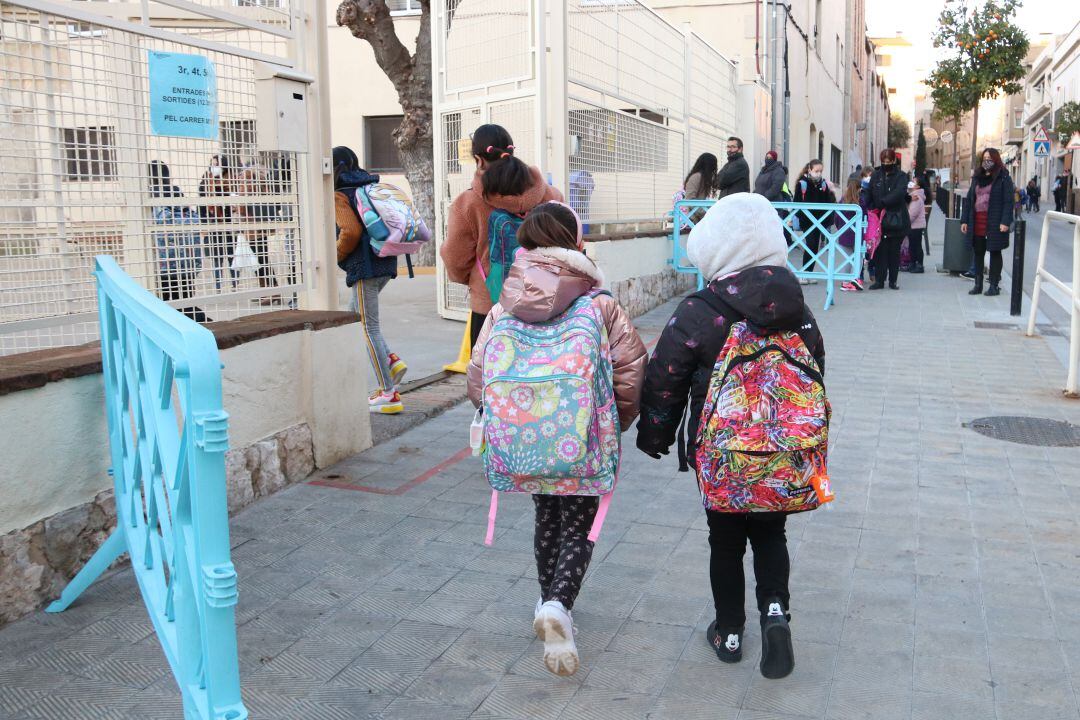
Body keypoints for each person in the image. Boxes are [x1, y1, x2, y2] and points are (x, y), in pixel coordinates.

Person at [636, 192, 826, 681]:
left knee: (724, 542)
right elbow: (815, 373)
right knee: (771, 534)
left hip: (720, 454)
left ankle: (730, 631)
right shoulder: (798, 308)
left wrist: (654, 436)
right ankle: (776, 613)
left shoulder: (701, 309)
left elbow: (665, 376)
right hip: (782, 454)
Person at [467, 202, 647, 677]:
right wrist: (615, 424)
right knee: (579, 522)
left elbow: (479, 372)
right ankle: (558, 604)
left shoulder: (507, 301)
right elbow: (630, 373)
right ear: (576, 243)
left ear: (526, 243)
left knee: (546, 513)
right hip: (582, 439)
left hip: (523, 438)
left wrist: (502, 421)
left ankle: (548, 600)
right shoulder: (599, 304)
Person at [442, 124, 563, 348]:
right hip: (545, 299)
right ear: (511, 151)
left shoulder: (467, 204)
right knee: (541, 368)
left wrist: (471, 280)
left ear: (479, 160)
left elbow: (455, 257)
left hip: (490, 304)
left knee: (487, 372)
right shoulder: (551, 196)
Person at [333, 146, 409, 414]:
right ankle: (390, 360)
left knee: (368, 328)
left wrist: (337, 254)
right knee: (355, 316)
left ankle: (389, 394)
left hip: (364, 265)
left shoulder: (340, 194)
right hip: (385, 259)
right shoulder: (369, 185)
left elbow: (350, 232)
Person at [148, 161, 206, 321]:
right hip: (188, 259)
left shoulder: (151, 195)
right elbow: (193, 218)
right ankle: (198, 320)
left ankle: (199, 321)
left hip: (166, 262)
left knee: (170, 303)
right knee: (184, 297)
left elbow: (158, 221)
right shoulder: (176, 192)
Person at [961, 148, 1014, 297]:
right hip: (977, 220)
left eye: (990, 158)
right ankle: (978, 285)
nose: (987, 161)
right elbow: (970, 199)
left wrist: (1005, 221)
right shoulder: (977, 177)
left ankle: (994, 286)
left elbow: (1008, 202)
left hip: (995, 221)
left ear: (996, 160)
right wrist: (964, 220)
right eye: (984, 158)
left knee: (995, 252)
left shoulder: (1003, 177)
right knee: (978, 252)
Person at [236, 165, 280, 304]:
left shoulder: (246, 188)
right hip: (261, 227)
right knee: (261, 260)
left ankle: (272, 292)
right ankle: (266, 291)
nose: (240, 178)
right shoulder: (261, 186)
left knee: (259, 261)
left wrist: (236, 204)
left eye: (242, 176)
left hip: (252, 229)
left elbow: (242, 209)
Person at [868, 148, 910, 290]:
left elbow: (899, 193)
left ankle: (893, 281)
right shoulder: (876, 175)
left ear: (894, 161)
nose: (886, 164)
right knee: (880, 252)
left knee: (894, 252)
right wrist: (870, 208)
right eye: (884, 162)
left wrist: (884, 202)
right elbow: (869, 192)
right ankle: (879, 281)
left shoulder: (901, 176)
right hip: (879, 219)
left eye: (889, 161)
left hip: (896, 219)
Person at [792, 159, 834, 282]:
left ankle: (809, 273)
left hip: (820, 221)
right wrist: (803, 217)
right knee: (810, 245)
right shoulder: (802, 183)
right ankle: (804, 273)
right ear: (810, 170)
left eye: (821, 171)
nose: (819, 173)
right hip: (807, 221)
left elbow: (827, 202)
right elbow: (797, 203)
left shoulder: (823, 184)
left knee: (815, 247)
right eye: (816, 171)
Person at [198, 154, 234, 290]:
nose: (214, 167)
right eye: (212, 164)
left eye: (217, 164)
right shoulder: (206, 180)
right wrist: (203, 223)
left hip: (229, 223)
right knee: (216, 255)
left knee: (231, 254)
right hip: (213, 222)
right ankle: (218, 284)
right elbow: (201, 203)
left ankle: (235, 283)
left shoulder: (230, 180)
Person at [837, 176, 866, 291]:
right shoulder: (861, 201)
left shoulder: (842, 201)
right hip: (857, 233)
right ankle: (855, 278)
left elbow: (837, 217)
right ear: (859, 189)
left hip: (844, 233)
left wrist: (840, 228)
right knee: (858, 257)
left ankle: (845, 282)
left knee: (847, 259)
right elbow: (865, 217)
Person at [906, 180, 926, 274]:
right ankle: (913, 263)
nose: (911, 182)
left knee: (916, 245)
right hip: (914, 225)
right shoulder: (913, 195)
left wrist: (905, 221)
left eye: (914, 181)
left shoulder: (916, 197)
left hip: (916, 225)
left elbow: (912, 213)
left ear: (917, 186)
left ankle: (919, 265)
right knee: (912, 245)